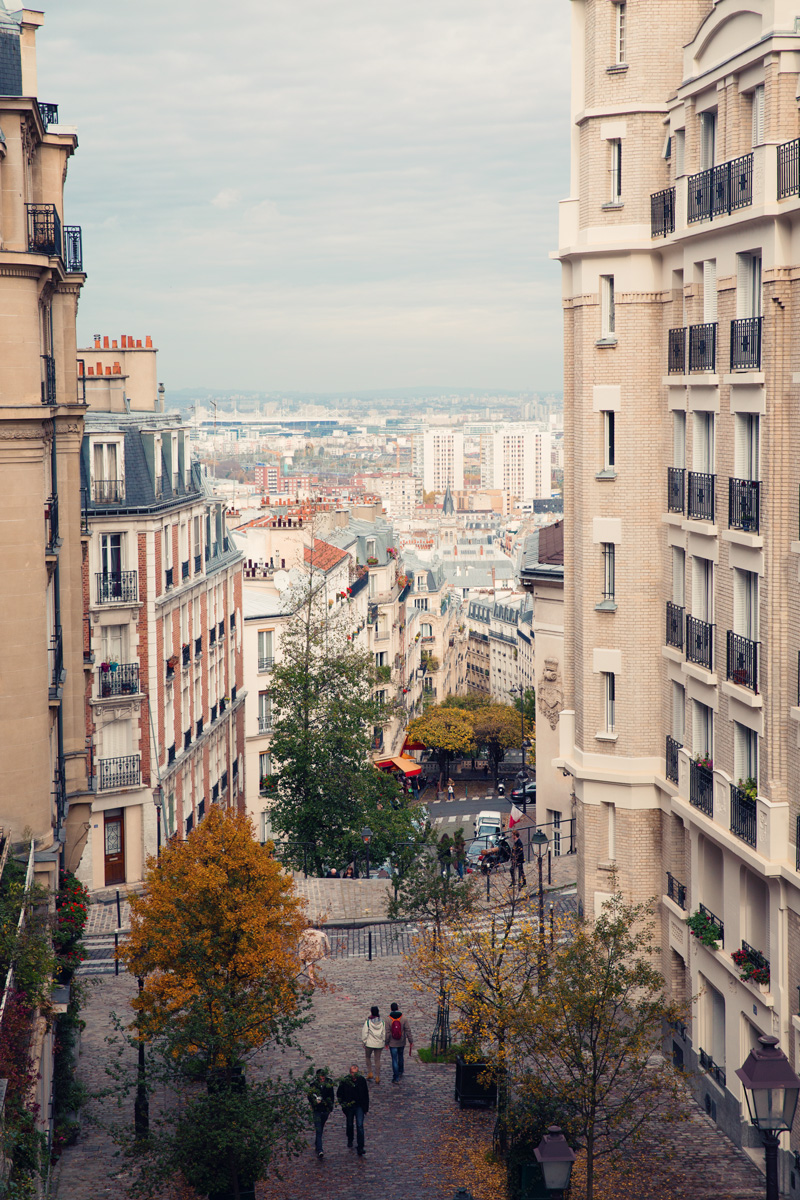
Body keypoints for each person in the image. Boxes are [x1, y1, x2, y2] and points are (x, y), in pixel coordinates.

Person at [337, 1063, 370, 1156]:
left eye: (355, 1073)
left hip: (359, 1106)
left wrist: (366, 1107)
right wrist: (344, 1105)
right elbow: (339, 1094)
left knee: (360, 1126)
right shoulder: (345, 1081)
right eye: (352, 1073)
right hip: (349, 1106)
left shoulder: (362, 1080)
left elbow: (366, 1094)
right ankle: (350, 1138)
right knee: (350, 1124)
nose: (354, 1075)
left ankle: (360, 1147)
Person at [308, 1069, 335, 1159]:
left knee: (321, 1127)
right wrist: (314, 1102)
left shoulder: (329, 1083)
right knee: (318, 1129)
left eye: (323, 1076)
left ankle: (317, 1141)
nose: (322, 1078)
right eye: (321, 1077)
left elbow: (331, 1096)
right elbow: (310, 1096)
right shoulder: (313, 1085)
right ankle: (320, 1149)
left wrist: (330, 1108)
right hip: (317, 1110)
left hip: (325, 1110)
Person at [385, 1001, 414, 1083]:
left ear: (391, 1009)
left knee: (394, 1059)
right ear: (398, 1008)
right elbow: (408, 1030)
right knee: (400, 1056)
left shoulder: (388, 1019)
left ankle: (396, 1077)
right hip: (401, 1042)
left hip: (392, 1043)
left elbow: (387, 1032)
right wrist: (410, 1040)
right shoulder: (403, 1018)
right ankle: (401, 1070)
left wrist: (386, 1043)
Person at [361, 1005, 385, 1082]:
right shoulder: (382, 1022)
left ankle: (370, 1072)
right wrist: (383, 1041)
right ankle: (377, 1076)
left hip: (369, 1044)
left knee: (368, 1057)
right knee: (377, 1060)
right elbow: (384, 1033)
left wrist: (364, 1042)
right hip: (379, 1044)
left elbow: (365, 1033)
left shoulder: (368, 1022)